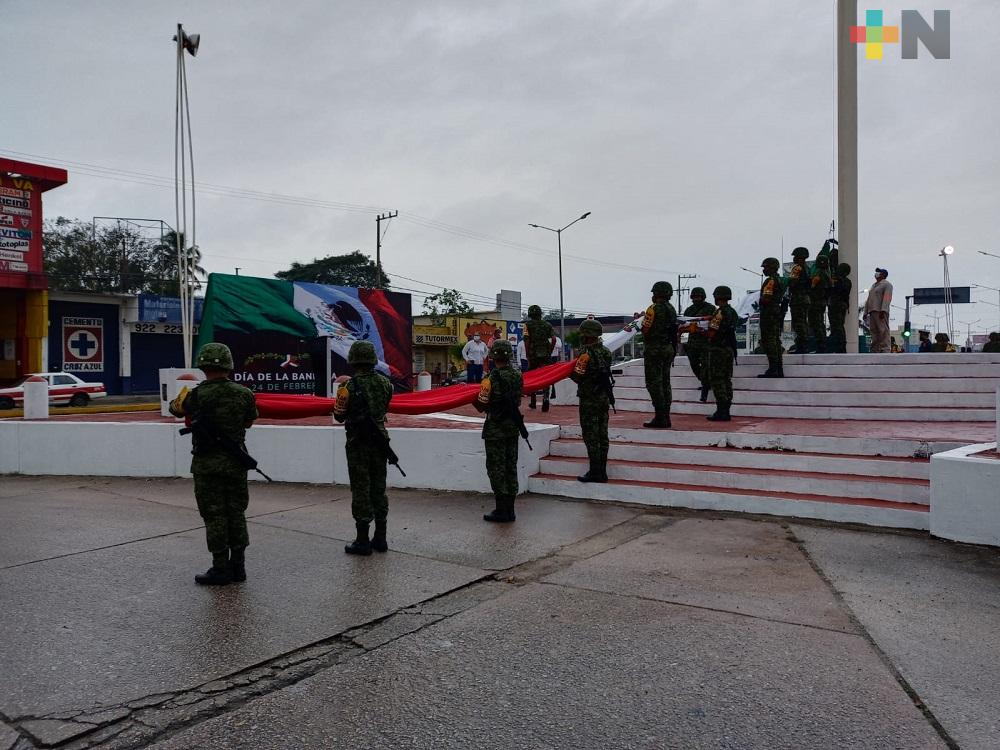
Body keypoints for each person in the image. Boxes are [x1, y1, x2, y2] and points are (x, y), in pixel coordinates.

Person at [169, 342, 258, 586]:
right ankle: (238, 567)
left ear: (203, 365)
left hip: (207, 465)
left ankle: (220, 569)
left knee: (215, 516)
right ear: (229, 364)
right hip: (236, 462)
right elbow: (249, 422)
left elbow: (175, 409)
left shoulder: (196, 395)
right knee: (236, 513)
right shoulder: (244, 393)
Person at [334, 341, 394, 555]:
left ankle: (362, 540)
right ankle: (381, 537)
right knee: (378, 488)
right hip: (380, 442)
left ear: (353, 360)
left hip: (358, 443)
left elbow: (339, 416)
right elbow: (384, 408)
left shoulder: (347, 387)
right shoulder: (386, 384)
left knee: (361, 489)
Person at [473, 339, 524, 522]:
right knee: (510, 467)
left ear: (493, 356)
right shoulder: (517, 375)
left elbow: (482, 405)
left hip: (495, 429)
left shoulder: (490, 379)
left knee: (496, 468)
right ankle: (510, 509)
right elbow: (518, 400)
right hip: (512, 427)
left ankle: (501, 509)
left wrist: (472, 398)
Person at [571, 319, 613, 482]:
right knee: (602, 435)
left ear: (587, 335)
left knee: (591, 436)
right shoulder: (606, 352)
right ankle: (602, 471)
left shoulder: (585, 354)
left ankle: (595, 472)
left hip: (589, 399)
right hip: (603, 398)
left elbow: (577, 377)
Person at [640, 281, 677, 428]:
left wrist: (640, 319)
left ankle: (660, 417)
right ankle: (666, 416)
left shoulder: (653, 309)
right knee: (665, 383)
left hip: (654, 350)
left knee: (654, 383)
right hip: (668, 348)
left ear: (656, 293)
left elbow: (645, 330)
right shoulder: (671, 309)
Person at [705, 286, 740, 422]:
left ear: (718, 296)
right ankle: (726, 409)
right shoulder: (732, 312)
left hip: (718, 350)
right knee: (726, 380)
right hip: (729, 349)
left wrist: (700, 330)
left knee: (717, 380)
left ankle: (721, 410)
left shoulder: (719, 313)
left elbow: (712, 332)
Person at [683, 287, 716, 399]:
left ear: (703, 297)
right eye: (694, 297)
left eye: (698, 297)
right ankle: (705, 382)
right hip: (692, 342)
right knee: (694, 365)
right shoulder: (689, 310)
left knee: (706, 366)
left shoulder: (710, 308)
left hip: (706, 342)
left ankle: (705, 386)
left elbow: (714, 323)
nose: (696, 299)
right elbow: (685, 324)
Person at [523, 305, 556, 411]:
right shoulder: (547, 324)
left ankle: (533, 401)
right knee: (546, 376)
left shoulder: (527, 325)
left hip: (533, 354)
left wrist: (527, 354)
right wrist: (550, 351)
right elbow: (554, 339)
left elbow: (526, 340)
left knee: (532, 376)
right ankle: (546, 398)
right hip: (545, 354)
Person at [757, 258, 785, 377]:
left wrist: (758, 301)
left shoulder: (771, 281)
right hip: (775, 311)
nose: (764, 270)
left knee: (769, 341)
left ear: (772, 268)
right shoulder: (779, 280)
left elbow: (766, 299)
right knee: (775, 340)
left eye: (766, 267)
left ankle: (773, 369)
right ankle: (778, 369)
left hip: (768, 313)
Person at [787, 247, 811, 353]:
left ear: (800, 257)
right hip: (805, 298)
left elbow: (792, 283)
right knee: (803, 322)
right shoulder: (807, 268)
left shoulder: (797, 268)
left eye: (795, 256)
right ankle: (804, 345)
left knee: (798, 323)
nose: (794, 258)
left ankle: (802, 346)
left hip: (798, 299)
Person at [863, 268, 893, 353]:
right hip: (872, 310)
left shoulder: (887, 285)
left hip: (880, 311)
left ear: (883, 275)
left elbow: (887, 298)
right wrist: (865, 312)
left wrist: (883, 310)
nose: (876, 274)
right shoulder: (873, 285)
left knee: (883, 330)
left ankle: (885, 348)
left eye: (879, 272)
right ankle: (875, 348)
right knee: (874, 331)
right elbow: (869, 299)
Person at [827, 262, 852, 354]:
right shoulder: (848, 281)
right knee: (838, 326)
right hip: (841, 305)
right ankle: (838, 346)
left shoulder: (838, 280)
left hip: (836, 305)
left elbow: (833, 290)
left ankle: (840, 346)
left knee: (837, 326)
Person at [808, 255, 831, 353]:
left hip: (815, 301)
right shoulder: (827, 274)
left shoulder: (818, 275)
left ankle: (820, 346)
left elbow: (812, 286)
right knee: (820, 323)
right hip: (822, 302)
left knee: (816, 324)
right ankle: (822, 345)